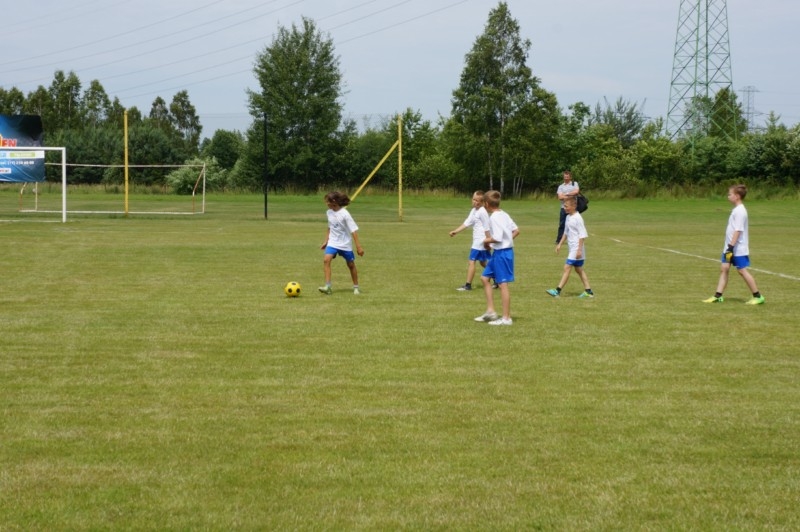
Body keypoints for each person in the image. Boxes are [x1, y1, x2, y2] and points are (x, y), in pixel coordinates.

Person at [703, 184, 765, 305]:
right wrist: (728, 247)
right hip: (729, 248)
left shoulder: (740, 211)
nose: (728, 196)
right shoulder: (736, 210)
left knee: (742, 271)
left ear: (737, 196)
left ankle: (758, 296)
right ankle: (718, 296)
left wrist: (731, 247)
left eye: (730, 194)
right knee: (724, 268)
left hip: (737, 249)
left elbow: (738, 230)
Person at [474, 190, 519, 326]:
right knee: (484, 278)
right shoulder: (504, 214)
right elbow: (516, 230)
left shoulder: (494, 217)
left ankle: (506, 318)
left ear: (486, 204)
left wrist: (486, 241)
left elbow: (498, 238)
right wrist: (507, 240)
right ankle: (491, 312)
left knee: (502, 284)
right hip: (498, 253)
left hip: (503, 254)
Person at [546, 196, 594, 299]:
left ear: (574, 206)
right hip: (572, 247)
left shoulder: (578, 218)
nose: (564, 208)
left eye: (566, 206)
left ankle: (557, 291)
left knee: (567, 267)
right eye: (564, 206)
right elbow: (566, 232)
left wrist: (579, 250)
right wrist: (559, 244)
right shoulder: (568, 217)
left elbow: (582, 235)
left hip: (576, 248)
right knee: (578, 269)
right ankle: (588, 291)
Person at [318, 191, 364, 295]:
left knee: (351, 264)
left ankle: (356, 287)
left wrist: (359, 247)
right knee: (326, 260)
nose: (326, 203)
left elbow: (353, 231)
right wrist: (326, 241)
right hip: (333, 242)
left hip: (345, 244)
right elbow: (330, 227)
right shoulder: (329, 212)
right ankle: (328, 286)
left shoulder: (345, 214)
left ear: (334, 202)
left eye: (328, 201)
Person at [449, 190, 492, 291]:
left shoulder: (482, 212)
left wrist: (488, 241)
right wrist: (456, 231)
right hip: (478, 241)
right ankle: (497, 278)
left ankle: (468, 285)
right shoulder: (474, 211)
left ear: (482, 202)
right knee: (483, 262)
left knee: (471, 261)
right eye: (473, 199)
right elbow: (467, 223)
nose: (474, 202)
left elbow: (487, 228)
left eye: (477, 201)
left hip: (480, 241)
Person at [555, 170, 580, 244]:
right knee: (562, 224)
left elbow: (576, 192)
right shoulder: (561, 186)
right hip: (564, 207)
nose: (566, 178)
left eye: (567, 177)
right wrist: (571, 195)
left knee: (575, 223)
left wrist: (565, 194)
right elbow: (560, 197)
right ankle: (559, 240)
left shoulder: (574, 184)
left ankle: (577, 238)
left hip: (573, 208)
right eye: (565, 177)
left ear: (570, 177)